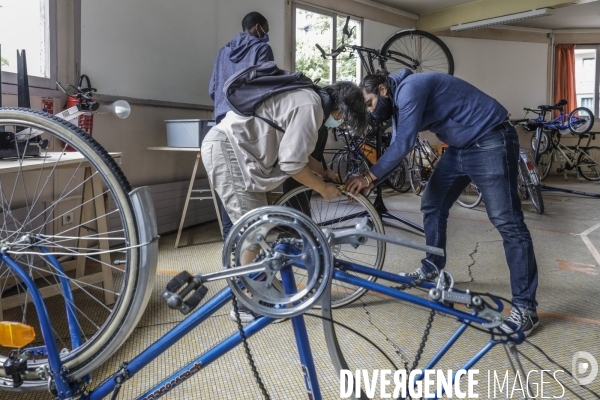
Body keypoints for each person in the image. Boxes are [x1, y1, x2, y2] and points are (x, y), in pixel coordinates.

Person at [345, 70, 540, 336]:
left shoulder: (410, 89)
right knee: (432, 203)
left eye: (370, 104)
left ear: (382, 90)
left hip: (490, 140)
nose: (372, 112)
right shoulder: (401, 98)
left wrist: (369, 176)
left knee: (507, 222)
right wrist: (372, 181)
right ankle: (432, 268)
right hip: (461, 147)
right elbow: (399, 141)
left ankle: (526, 309)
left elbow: (402, 144)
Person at [202, 81, 367, 322]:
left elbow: (299, 151)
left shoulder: (310, 100)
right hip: (227, 149)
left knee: (259, 227)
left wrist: (323, 172)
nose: (340, 124)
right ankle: (244, 304)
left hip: (236, 150)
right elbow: (292, 165)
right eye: (344, 119)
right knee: (254, 232)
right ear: (341, 110)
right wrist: (323, 188)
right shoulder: (311, 107)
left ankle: (256, 285)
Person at [208, 11, 274, 241]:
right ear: (257, 28)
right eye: (266, 28)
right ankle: (254, 242)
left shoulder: (222, 53)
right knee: (249, 183)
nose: (267, 34)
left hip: (221, 124)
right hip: (248, 124)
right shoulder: (261, 49)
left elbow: (212, 90)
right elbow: (266, 88)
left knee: (229, 185)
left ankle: (231, 241)